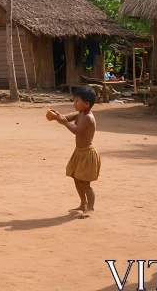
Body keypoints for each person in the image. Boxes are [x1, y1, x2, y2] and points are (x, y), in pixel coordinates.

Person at [52, 87, 100, 218]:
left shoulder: (88, 117)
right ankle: (83, 203)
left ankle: (90, 207)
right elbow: (67, 118)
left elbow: (77, 130)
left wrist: (64, 123)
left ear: (87, 104)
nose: (74, 103)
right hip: (79, 152)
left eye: (77, 101)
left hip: (87, 153)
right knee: (76, 178)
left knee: (85, 182)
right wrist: (57, 116)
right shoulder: (80, 114)